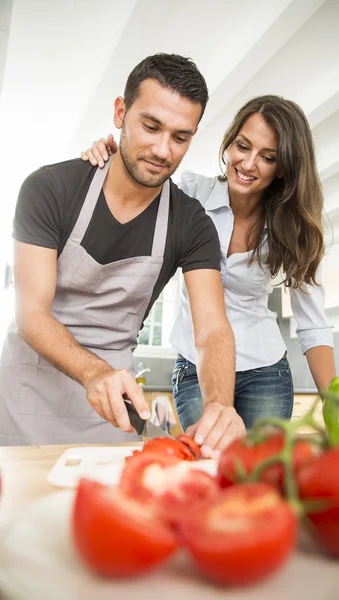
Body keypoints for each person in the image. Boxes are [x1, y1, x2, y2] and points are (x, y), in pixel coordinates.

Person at [0, 53, 245, 453]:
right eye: (151, 127)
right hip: (25, 401)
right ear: (120, 112)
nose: (163, 150)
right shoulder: (50, 189)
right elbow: (31, 314)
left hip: (112, 413)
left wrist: (219, 405)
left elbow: (212, 327)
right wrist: (95, 373)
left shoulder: (190, 222)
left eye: (180, 137)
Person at [82, 94, 336, 431]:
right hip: (195, 369)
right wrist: (108, 159)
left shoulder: (291, 227)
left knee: (260, 472)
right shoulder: (190, 193)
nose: (248, 164)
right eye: (242, 146)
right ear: (229, 143)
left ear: (283, 168)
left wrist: (337, 409)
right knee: (208, 464)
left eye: (268, 157)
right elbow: (134, 190)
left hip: (266, 373)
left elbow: (313, 324)